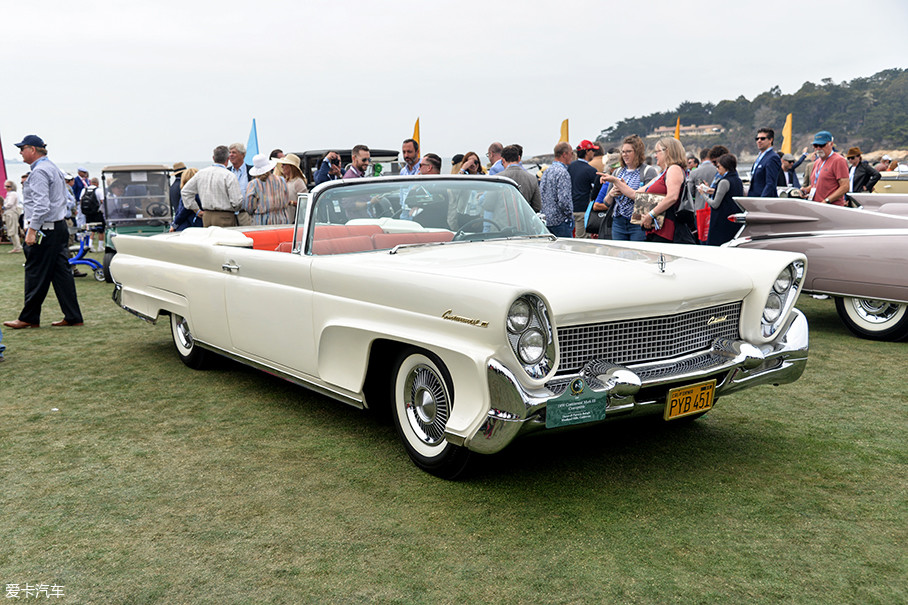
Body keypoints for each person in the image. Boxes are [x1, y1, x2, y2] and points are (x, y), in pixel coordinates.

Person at [3, 135, 83, 329]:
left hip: (45, 229)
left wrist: (32, 231)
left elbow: (41, 206)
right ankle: (73, 316)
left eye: (22, 149)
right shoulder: (52, 167)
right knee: (61, 274)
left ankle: (29, 317)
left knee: (35, 272)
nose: (20, 153)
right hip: (58, 226)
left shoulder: (39, 172)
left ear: (32, 149)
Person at [602, 137, 693, 244]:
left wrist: (651, 215)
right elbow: (636, 194)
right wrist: (616, 182)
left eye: (657, 151)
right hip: (659, 228)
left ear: (667, 151)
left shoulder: (674, 169)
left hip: (668, 227)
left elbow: (672, 197)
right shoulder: (663, 173)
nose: (655, 155)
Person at [594, 135, 657, 241]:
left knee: (637, 255)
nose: (624, 155)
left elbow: (650, 200)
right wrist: (611, 194)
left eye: (628, 151)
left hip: (638, 223)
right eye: (623, 152)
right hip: (618, 222)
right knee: (619, 254)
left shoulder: (648, 171)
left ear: (637, 152)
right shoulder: (617, 172)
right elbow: (606, 203)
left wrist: (623, 188)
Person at [181, 145, 243, 227]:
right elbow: (236, 202)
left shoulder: (201, 173)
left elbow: (185, 192)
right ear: (228, 159)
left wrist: (197, 210)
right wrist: (236, 209)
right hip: (225, 216)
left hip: (207, 216)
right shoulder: (229, 176)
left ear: (213, 158)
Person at [800, 131, 849, 205]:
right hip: (816, 206)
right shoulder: (817, 162)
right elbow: (817, 184)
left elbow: (845, 186)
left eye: (822, 145)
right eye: (815, 145)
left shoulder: (839, 160)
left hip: (831, 208)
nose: (818, 148)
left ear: (831, 144)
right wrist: (805, 191)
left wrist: (826, 201)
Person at [706, 153, 744, 246]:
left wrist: (703, 194)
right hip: (733, 220)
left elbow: (715, 204)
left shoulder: (724, 181)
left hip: (721, 221)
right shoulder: (737, 180)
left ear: (725, 166)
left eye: (718, 166)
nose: (717, 168)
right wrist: (714, 191)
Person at [243, 154, 292, 225]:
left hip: (262, 221)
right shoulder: (281, 180)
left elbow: (249, 206)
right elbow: (286, 200)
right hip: (282, 220)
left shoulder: (253, 184)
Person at [539, 142, 574, 237]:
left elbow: (541, 193)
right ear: (564, 154)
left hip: (547, 220)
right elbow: (564, 200)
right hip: (560, 221)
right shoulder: (563, 173)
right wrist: (569, 215)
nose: (573, 155)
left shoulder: (546, 171)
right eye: (571, 153)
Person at [568, 140, 601, 238]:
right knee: (582, 240)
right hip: (582, 210)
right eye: (592, 150)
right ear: (587, 152)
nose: (594, 153)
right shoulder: (591, 170)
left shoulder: (570, 167)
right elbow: (597, 191)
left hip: (570, 209)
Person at [499, 144, 541, 212]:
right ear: (519, 158)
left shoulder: (497, 178)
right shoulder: (532, 179)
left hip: (502, 221)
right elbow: (537, 206)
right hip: (524, 221)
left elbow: (488, 206)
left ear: (503, 160)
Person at [747, 128, 781, 197]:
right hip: (754, 199)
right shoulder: (760, 157)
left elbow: (770, 183)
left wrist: (761, 200)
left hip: (764, 201)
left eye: (762, 138)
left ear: (770, 140)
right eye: (757, 139)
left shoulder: (772, 157)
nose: (759, 141)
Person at [275, 153, 309, 221]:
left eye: (284, 164)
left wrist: (291, 202)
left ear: (291, 167)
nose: (281, 166)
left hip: (295, 220)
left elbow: (305, 202)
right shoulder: (285, 181)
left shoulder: (298, 182)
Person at [4, 181, 23, 252]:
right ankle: (16, 247)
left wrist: (4, 207)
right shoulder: (9, 194)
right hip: (9, 213)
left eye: (8, 186)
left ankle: (17, 247)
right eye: (6, 186)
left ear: (12, 187)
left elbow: (10, 204)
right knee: (12, 231)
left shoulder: (13, 194)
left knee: (13, 231)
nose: (6, 188)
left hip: (11, 213)